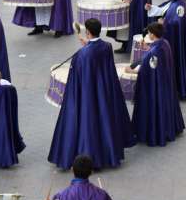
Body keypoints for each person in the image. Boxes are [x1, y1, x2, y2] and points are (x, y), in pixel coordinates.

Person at [48, 18, 136, 170]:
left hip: (88, 95)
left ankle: (90, 158)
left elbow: (77, 77)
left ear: (88, 32)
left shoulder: (82, 55)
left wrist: (85, 49)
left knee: (89, 125)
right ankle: (108, 154)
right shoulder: (107, 46)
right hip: (104, 92)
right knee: (104, 122)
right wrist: (87, 45)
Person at [129, 22, 185, 146]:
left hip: (157, 87)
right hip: (166, 83)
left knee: (156, 108)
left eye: (149, 32)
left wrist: (132, 70)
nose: (148, 34)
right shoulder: (165, 43)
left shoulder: (154, 52)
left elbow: (149, 68)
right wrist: (148, 49)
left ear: (153, 34)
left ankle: (155, 133)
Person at [148, 0, 186, 99]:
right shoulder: (173, 2)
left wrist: (164, 23)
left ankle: (180, 89)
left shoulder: (181, 5)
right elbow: (163, 10)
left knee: (176, 61)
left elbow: (178, 22)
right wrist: (151, 8)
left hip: (177, 40)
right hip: (171, 38)